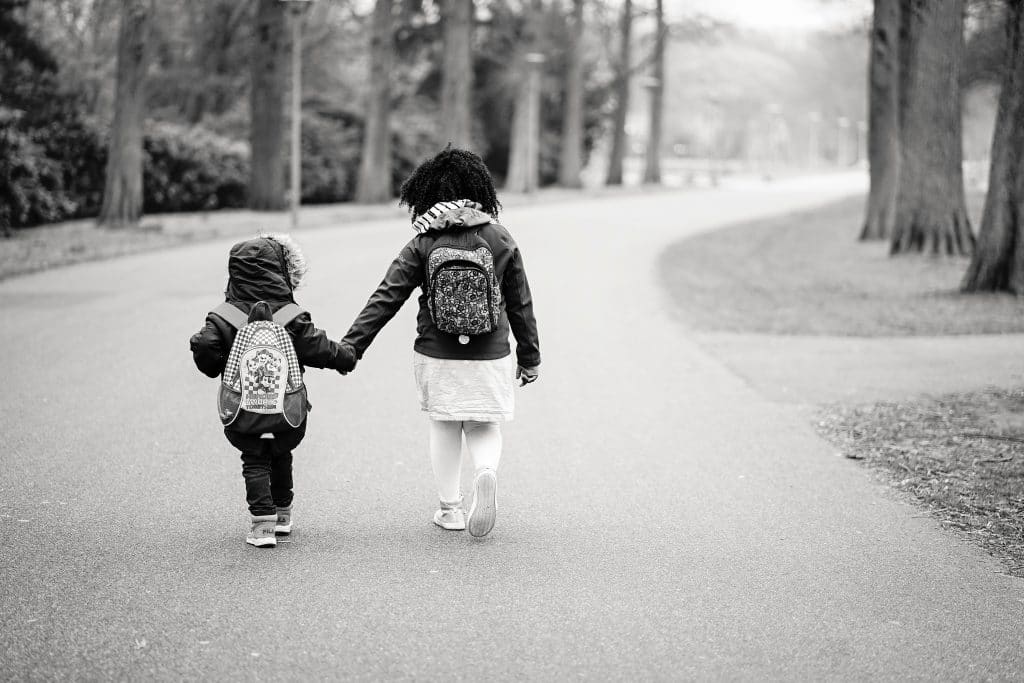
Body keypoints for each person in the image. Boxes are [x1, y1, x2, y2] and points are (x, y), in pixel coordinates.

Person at [336, 147, 540, 538]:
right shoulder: (499, 237)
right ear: (480, 189)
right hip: (490, 353)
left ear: (427, 192)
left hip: (436, 352)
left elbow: (386, 296)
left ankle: (451, 509)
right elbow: (521, 303)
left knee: (445, 425)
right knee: (483, 425)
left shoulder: (424, 241)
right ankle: (484, 472)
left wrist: (352, 347)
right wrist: (530, 357)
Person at [190, 234, 354, 547]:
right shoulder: (289, 316)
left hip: (243, 411)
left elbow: (207, 348)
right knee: (281, 454)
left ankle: (262, 526)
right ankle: (283, 515)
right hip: (286, 411)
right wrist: (344, 356)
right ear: (282, 272)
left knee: (254, 458)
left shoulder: (225, 316)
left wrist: (215, 362)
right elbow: (316, 347)